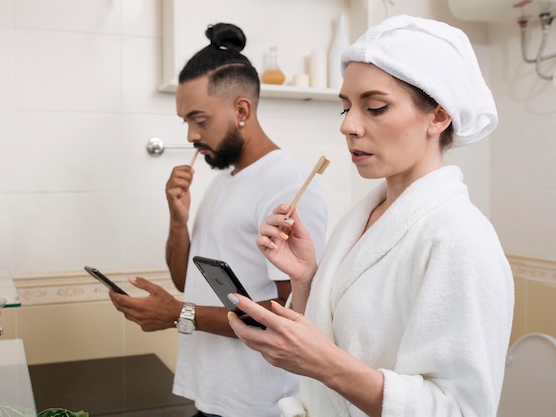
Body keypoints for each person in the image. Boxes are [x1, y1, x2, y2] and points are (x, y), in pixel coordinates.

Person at [227, 15, 514, 417]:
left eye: (375, 107)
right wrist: (307, 277)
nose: (348, 125)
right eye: (345, 108)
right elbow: (342, 336)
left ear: (438, 116)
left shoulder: (460, 238)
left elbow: (460, 411)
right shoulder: (363, 218)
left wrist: (323, 362)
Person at [109, 22, 328, 417]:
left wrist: (177, 314)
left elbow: (286, 314)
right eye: (186, 122)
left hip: (261, 404)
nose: (192, 135)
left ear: (241, 109)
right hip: (213, 394)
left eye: (200, 119)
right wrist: (178, 220)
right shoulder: (223, 181)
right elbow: (185, 280)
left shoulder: (287, 184)